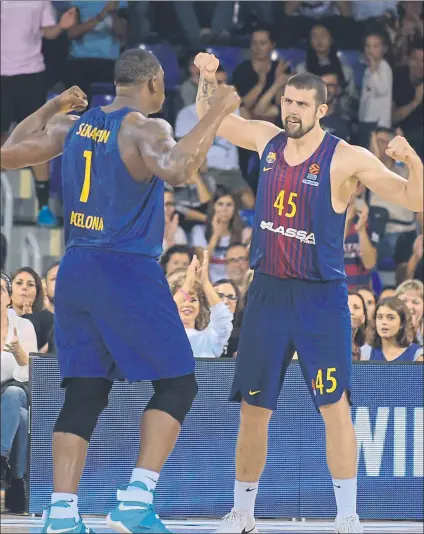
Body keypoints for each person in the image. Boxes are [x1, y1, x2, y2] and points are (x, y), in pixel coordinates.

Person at [1, 49, 240, 534]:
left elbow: (8, 151)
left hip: (75, 268)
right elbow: (178, 170)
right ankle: (135, 500)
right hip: (126, 267)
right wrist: (217, 110)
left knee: (85, 393)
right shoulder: (146, 128)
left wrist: (49, 108)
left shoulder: (75, 126)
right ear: (153, 84)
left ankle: (62, 514)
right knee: (178, 383)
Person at [195, 52, 423, 534]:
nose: (291, 110)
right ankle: (243, 513)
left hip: (321, 299)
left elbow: (414, 199)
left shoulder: (347, 157)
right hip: (268, 296)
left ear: (323, 109)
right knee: (253, 410)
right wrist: (207, 77)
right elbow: (209, 118)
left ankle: (347, 515)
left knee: (335, 408)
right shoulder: (266, 139)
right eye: (287, 101)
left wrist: (412, 160)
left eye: (301, 104)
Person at [360, 297, 423, 362]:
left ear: (401, 323)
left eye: (390, 318)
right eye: (380, 317)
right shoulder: (366, 352)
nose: (384, 322)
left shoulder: (417, 354)